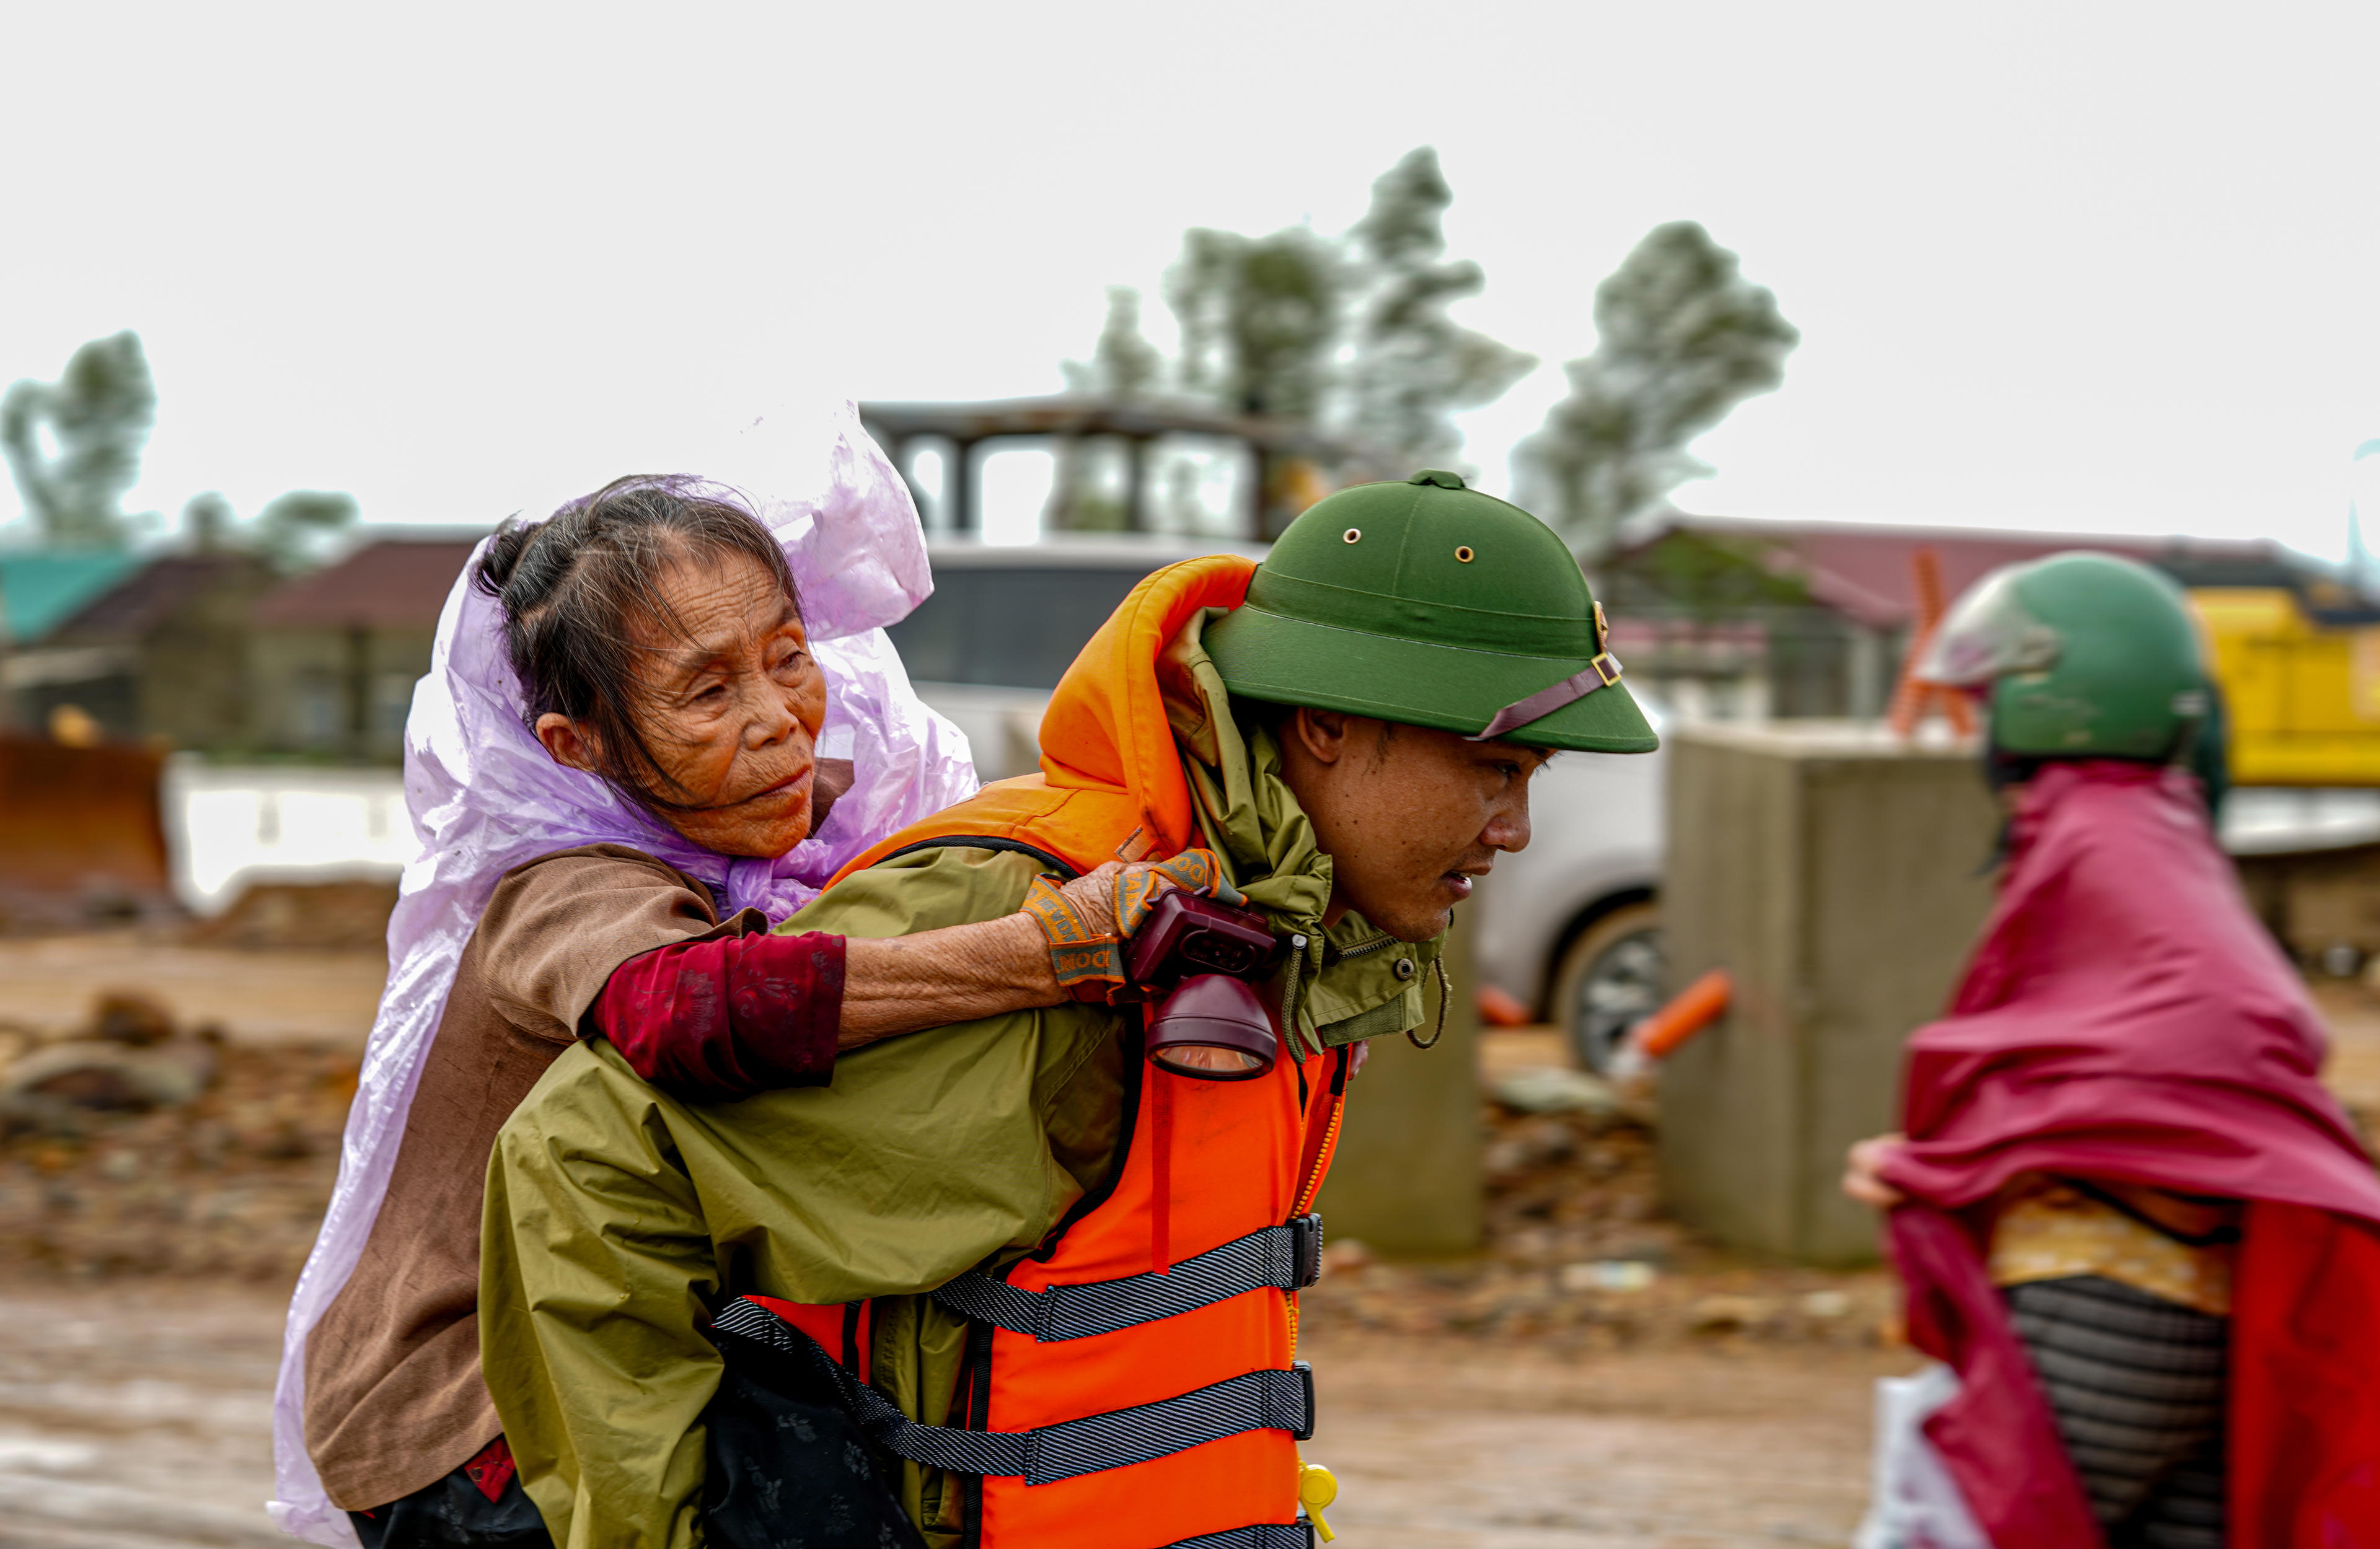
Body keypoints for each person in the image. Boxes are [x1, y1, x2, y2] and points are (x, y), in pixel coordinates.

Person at [475, 469, 1660, 1549]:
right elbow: (580, 1163)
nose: (1513, 828)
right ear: (1330, 727)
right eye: (1493, 770)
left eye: (1528, 783)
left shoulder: (1280, 930)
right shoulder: (1037, 912)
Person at [270, 408, 1153, 1549]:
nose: (779, 720)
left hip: (649, 1331)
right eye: (705, 694)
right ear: (574, 744)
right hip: (468, 1402)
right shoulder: (565, 884)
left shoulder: (799, 841)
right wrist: (1038, 954)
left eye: (788, 659)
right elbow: (684, 1010)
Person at [1841, 552, 2380, 1548]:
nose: (1977, 729)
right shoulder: (2142, 829)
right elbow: (2099, 1057)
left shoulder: (2103, 834)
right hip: (2185, 1307)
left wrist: (1938, 1162)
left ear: (2053, 698)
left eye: (1989, 698)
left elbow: (2208, 1034)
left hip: (2103, 1311)